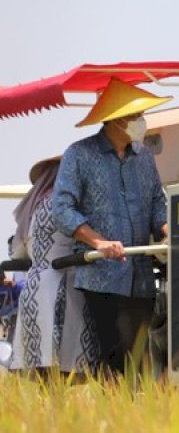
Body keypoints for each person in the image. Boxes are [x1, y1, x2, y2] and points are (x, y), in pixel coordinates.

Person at [52, 78, 170, 376]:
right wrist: (99, 242)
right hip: (101, 276)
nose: (142, 122)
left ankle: (137, 403)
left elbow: (158, 203)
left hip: (141, 275)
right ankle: (118, 400)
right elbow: (62, 209)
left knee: (141, 352)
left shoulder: (145, 158)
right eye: (136, 116)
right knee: (117, 352)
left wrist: (169, 231)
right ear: (117, 120)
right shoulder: (80, 154)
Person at [10, 156, 99, 374]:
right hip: (62, 286)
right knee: (64, 363)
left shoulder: (37, 206)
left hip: (35, 286)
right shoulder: (63, 206)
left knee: (40, 365)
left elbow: (19, 252)